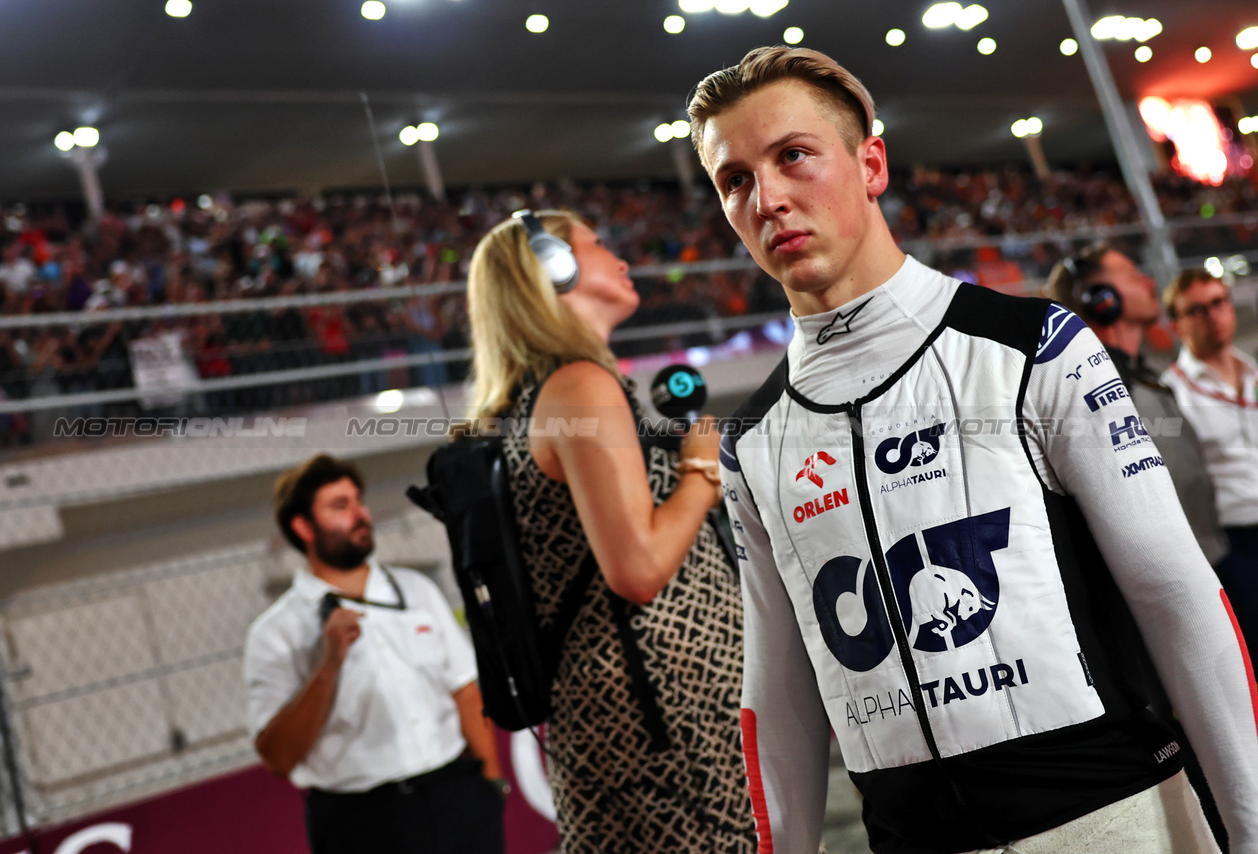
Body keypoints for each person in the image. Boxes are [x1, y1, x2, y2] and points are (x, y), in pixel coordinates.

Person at [688, 45, 1258, 854]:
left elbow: (1176, 595)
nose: (768, 198)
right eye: (735, 180)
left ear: (871, 163)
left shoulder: (1036, 347)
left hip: (1113, 819)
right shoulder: (752, 441)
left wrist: (1250, 827)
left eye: (793, 156)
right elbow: (778, 690)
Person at [463, 210, 755, 852]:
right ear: (552, 269)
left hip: (660, 713)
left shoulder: (561, 390)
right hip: (665, 724)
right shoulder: (579, 389)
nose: (620, 259)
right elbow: (639, 568)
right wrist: (701, 471)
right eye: (598, 246)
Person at [244, 454, 506, 854]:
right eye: (340, 506)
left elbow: (465, 690)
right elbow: (278, 757)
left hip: (456, 798)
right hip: (360, 821)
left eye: (359, 500)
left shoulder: (417, 590)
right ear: (302, 527)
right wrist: (328, 664)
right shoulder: (276, 631)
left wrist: (491, 786)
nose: (360, 514)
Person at [1046, 246, 1228, 566]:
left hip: (1212, 556)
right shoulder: (1089, 390)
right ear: (1100, 297)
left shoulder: (1146, 377)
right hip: (1170, 572)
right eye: (1133, 275)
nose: (1150, 283)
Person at [1160, 268, 1258, 651]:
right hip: (1230, 542)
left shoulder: (1252, 371)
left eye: (1218, 303)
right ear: (1177, 324)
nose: (1212, 315)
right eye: (1196, 310)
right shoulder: (1171, 392)